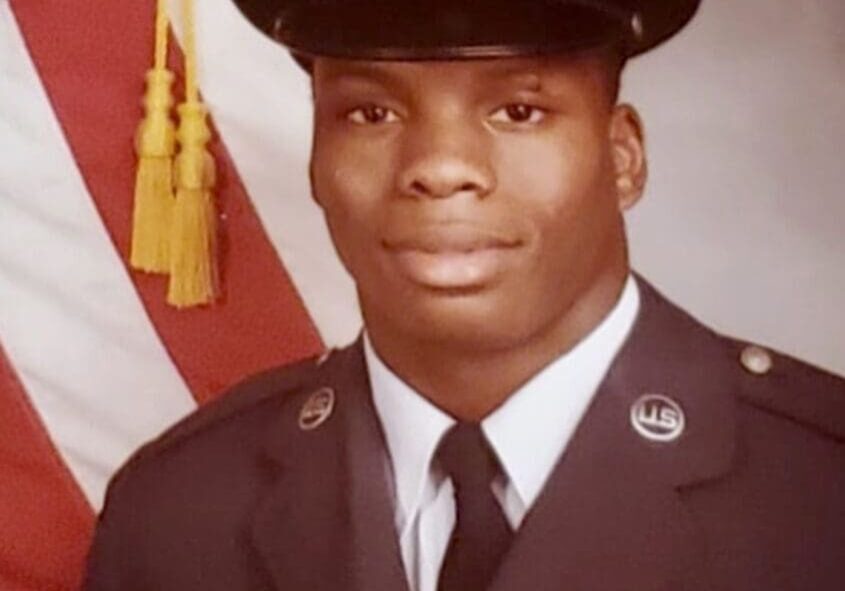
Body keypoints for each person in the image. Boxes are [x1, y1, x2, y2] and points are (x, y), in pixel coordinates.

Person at [83, 1, 845, 589]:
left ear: (622, 158)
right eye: (370, 113)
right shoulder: (179, 510)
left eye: (517, 110)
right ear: (316, 162)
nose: (440, 168)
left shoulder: (817, 495)